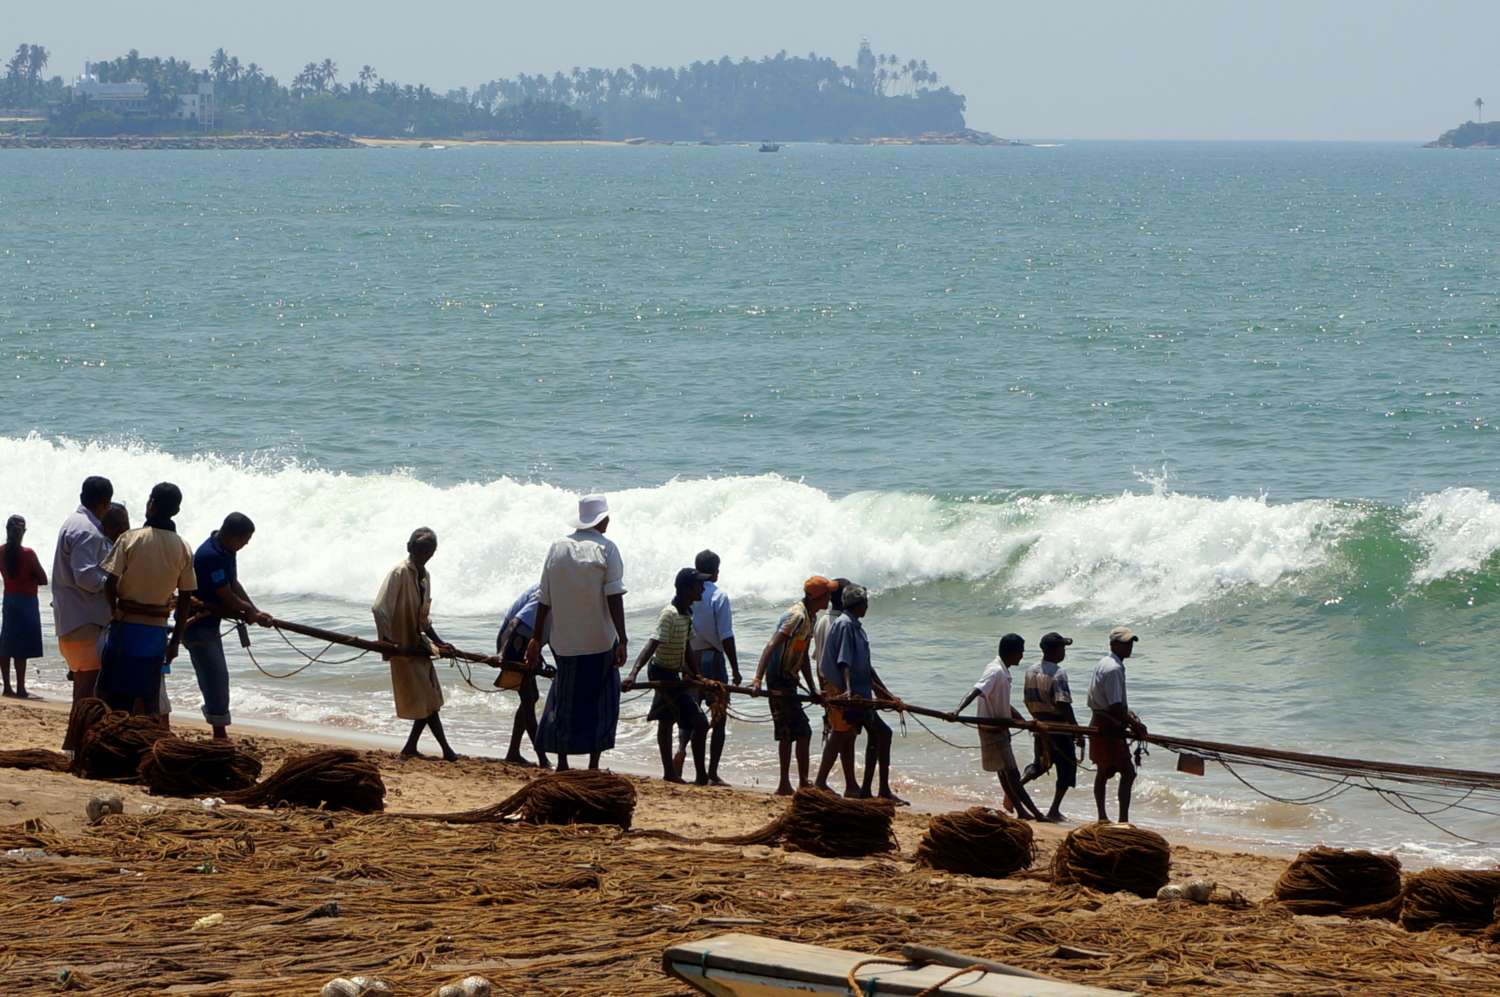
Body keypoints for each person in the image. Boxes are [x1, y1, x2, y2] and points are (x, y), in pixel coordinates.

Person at [527, 495, 627, 771]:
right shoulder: (607, 549)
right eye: (606, 516)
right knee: (602, 701)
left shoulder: (557, 548)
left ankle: (562, 762)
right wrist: (623, 638)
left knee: (565, 701)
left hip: (564, 641)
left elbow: (543, 599)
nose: (608, 520)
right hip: (599, 641)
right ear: (601, 520)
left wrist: (537, 638)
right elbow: (614, 596)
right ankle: (593, 763)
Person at [98, 483, 196, 716]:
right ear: (176, 511)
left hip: (125, 628)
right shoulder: (183, 547)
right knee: (149, 697)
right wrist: (175, 643)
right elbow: (185, 601)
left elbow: (109, 584)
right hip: (155, 633)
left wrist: (114, 610)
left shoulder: (130, 539)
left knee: (112, 697)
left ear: (151, 504)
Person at [182, 513, 272, 741]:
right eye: (245, 541)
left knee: (217, 678)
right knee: (215, 679)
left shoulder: (225, 550)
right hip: (197, 625)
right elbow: (226, 595)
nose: (246, 545)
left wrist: (254, 609)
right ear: (234, 539)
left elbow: (233, 584)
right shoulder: (210, 555)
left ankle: (219, 732)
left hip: (211, 623)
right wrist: (249, 612)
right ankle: (219, 735)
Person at [372, 528, 459, 760]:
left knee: (429, 699)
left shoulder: (424, 576)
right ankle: (447, 751)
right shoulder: (399, 573)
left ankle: (411, 746)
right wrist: (389, 643)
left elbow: (423, 618)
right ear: (409, 547)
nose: (424, 555)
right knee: (427, 699)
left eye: (429, 552)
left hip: (418, 645)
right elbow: (379, 608)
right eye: (420, 550)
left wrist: (440, 643)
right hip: (403, 649)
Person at [624, 567, 712, 784]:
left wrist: (697, 675)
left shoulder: (686, 613)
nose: (703, 588)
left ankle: (670, 774)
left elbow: (687, 647)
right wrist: (633, 674)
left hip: (675, 673)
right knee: (700, 722)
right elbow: (652, 644)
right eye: (699, 585)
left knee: (666, 720)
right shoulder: (669, 614)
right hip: (663, 673)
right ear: (686, 588)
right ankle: (701, 776)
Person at [750, 576, 833, 795]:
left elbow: (803, 655)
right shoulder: (796, 616)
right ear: (818, 596)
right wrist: (758, 679)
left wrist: (813, 688)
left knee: (794, 732)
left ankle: (797, 783)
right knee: (796, 732)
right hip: (778, 679)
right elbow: (771, 645)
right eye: (827, 594)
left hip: (790, 679)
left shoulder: (811, 618)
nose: (830, 598)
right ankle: (791, 783)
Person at [824, 585, 906, 803]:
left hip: (863, 694)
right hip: (854, 696)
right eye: (866, 602)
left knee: (878, 734)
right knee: (874, 734)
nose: (867, 606)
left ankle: (868, 790)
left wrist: (887, 695)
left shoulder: (857, 627)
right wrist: (849, 692)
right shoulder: (845, 625)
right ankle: (878, 790)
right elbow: (844, 661)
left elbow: (868, 668)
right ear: (859, 605)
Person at [953, 633, 1047, 821]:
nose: (1022, 656)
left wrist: (1024, 722)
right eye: (1020, 652)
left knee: (1005, 773)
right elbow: (977, 689)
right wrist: (957, 711)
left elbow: (1002, 703)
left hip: (998, 730)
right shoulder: (995, 671)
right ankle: (1036, 814)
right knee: (1011, 774)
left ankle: (1021, 811)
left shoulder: (1001, 671)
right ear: (1012, 653)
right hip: (993, 731)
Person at [51, 476, 115, 712]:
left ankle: (74, 744)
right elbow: (86, 577)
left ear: (81, 498)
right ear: (106, 505)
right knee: (88, 694)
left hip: (70, 619)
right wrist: (114, 583)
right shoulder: (89, 531)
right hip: (84, 619)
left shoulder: (73, 523)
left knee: (81, 688)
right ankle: (73, 743)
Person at [686, 549, 740, 786]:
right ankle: (712, 773)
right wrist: (736, 669)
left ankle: (689, 761)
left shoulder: (687, 593)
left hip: (691, 657)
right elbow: (725, 635)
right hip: (713, 657)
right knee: (718, 716)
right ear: (715, 570)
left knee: (694, 714)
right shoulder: (719, 596)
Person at [1020, 632, 1085, 822]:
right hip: (1058, 726)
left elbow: (1027, 700)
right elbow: (1063, 703)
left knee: (1040, 764)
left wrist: (1036, 719)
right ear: (1054, 651)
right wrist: (1075, 729)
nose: (1064, 652)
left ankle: (1016, 787)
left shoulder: (1030, 671)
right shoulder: (1058, 673)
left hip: (1039, 724)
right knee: (1067, 766)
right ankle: (1054, 810)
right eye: (1062, 648)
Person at [1088, 626, 1148, 822]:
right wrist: (1134, 725)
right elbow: (1114, 705)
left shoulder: (1104, 663)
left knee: (1102, 770)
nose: (1129, 647)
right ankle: (1122, 819)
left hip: (1098, 720)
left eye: (1131, 643)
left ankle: (1102, 817)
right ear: (1113, 644)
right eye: (1125, 643)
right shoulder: (1114, 668)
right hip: (1108, 724)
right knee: (1128, 773)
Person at [494, 582, 552, 768]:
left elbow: (548, 632)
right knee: (528, 698)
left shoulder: (562, 596)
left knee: (531, 697)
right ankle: (542, 757)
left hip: (527, 643)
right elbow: (515, 623)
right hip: (513, 642)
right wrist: (502, 653)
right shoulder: (546, 592)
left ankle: (513, 752)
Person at [812, 577, 860, 796]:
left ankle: (851, 784)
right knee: (840, 733)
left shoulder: (822, 620)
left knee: (847, 733)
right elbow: (841, 660)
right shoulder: (839, 623)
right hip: (837, 684)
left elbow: (816, 657)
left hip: (826, 681)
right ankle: (821, 781)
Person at [1, 515, 48, 699]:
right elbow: (43, 579)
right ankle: (20, 688)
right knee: (21, 647)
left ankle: (7, 687)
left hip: (10, 600)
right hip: (27, 601)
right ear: (24, 532)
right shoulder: (28, 554)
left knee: (6, 642)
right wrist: (33, 579)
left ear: (7, 530)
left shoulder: (1, 552)